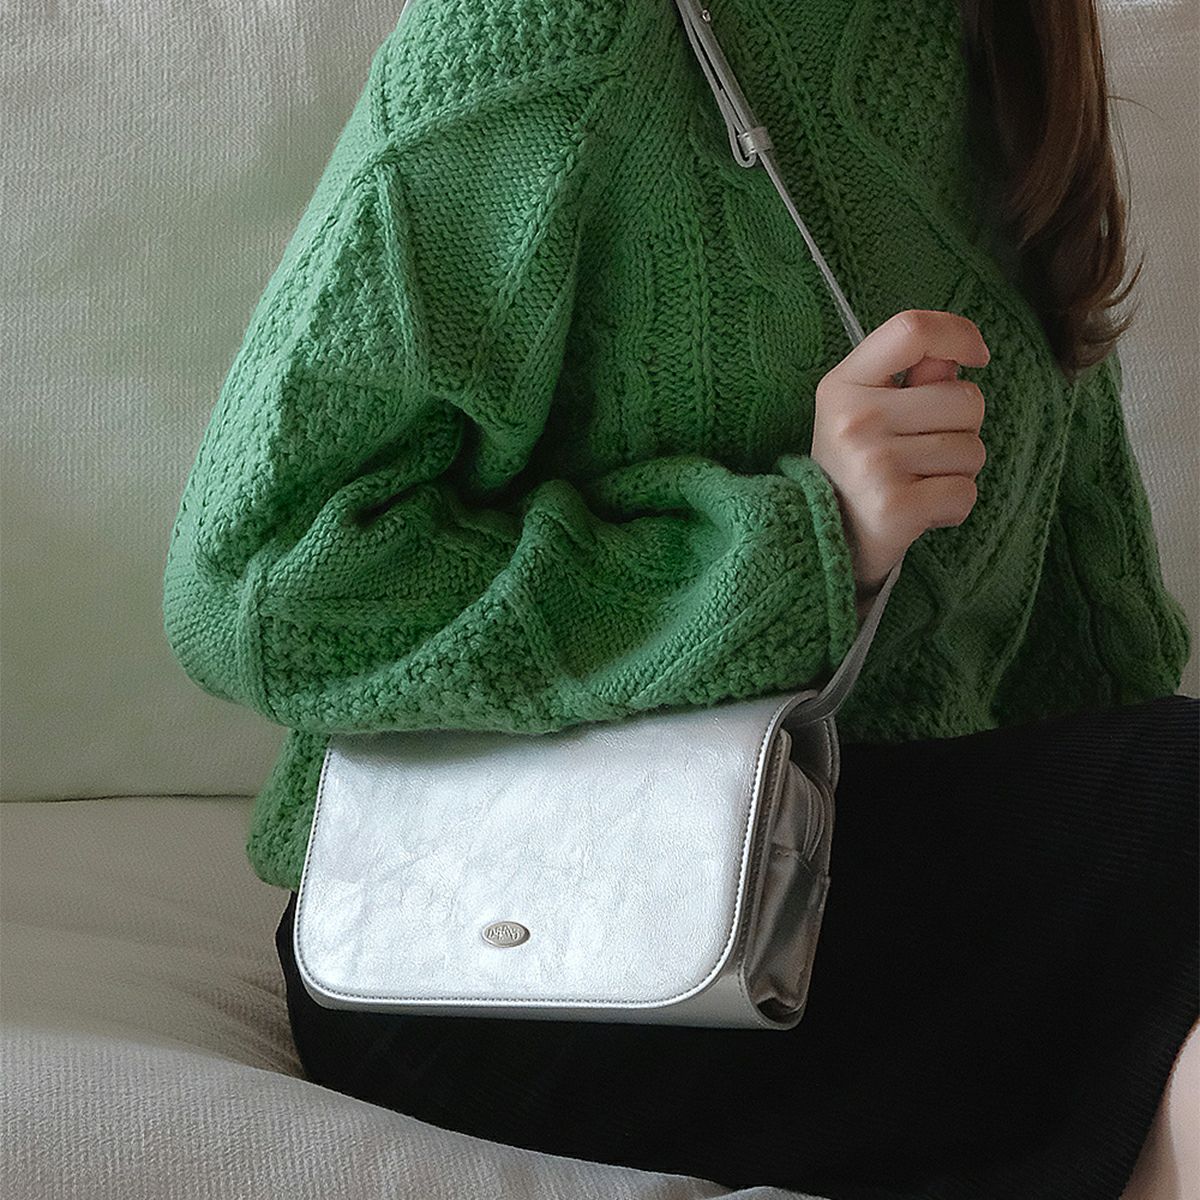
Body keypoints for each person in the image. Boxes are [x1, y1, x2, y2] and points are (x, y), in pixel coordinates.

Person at [162, 1, 1198, 1196]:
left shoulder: (1015, 39)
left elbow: (1080, 621)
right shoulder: (555, 31)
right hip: (509, 934)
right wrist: (795, 548)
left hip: (875, 879)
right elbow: (260, 581)